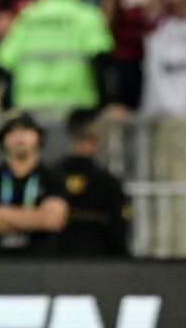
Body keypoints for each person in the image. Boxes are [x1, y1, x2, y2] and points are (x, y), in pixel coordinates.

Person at [0, 0, 114, 111]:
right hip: (76, 103)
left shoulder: (29, 16)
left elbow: (3, 60)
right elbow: (101, 57)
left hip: (31, 102)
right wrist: (104, 102)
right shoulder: (87, 16)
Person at [0, 112, 69, 257]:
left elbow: (53, 220)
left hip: (41, 266)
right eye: (12, 132)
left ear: (38, 137)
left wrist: (0, 212)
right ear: (3, 139)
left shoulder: (52, 177)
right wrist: (34, 218)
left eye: (26, 130)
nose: (19, 137)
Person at [55, 109, 131, 257]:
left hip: (54, 265)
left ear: (70, 136)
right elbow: (119, 233)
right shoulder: (109, 183)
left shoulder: (51, 177)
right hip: (100, 265)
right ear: (95, 140)